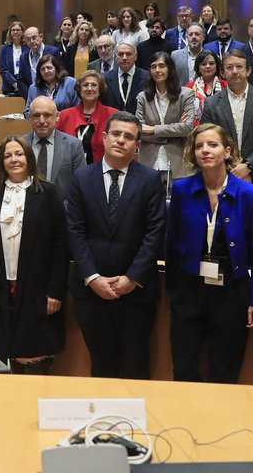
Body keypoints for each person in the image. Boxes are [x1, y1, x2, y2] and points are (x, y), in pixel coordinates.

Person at [65, 111, 164, 378]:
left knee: (136, 365)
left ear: (137, 145)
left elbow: (155, 232)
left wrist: (132, 278)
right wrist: (93, 277)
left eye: (129, 137)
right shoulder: (82, 177)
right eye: (116, 134)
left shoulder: (151, 180)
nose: (121, 140)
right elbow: (75, 231)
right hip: (92, 291)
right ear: (105, 137)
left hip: (136, 292)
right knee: (101, 364)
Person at [165, 123, 253, 382]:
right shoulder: (181, 190)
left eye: (212, 145)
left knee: (225, 371)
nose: (205, 151)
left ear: (227, 151)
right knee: (184, 368)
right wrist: (174, 291)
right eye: (199, 146)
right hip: (190, 289)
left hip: (232, 291)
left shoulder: (250, 194)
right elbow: (171, 241)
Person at [0, 134, 69, 374]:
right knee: (11, 345)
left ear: (29, 157)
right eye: (7, 155)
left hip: (39, 287)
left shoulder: (48, 193)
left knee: (36, 350)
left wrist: (56, 291)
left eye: (19, 154)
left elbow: (60, 244)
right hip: (1, 286)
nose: (13, 159)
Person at [200, 48, 253, 194]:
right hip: (222, 175)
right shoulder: (211, 103)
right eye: (229, 67)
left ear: (248, 71)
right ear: (222, 72)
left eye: (239, 67)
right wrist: (232, 167)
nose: (234, 71)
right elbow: (206, 141)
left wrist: (247, 166)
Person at [135, 51, 198, 182]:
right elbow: (139, 131)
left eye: (161, 66)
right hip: (149, 163)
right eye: (153, 66)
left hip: (179, 163)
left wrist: (153, 130)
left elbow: (187, 128)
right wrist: (175, 130)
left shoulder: (186, 94)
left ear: (170, 69)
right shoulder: (143, 97)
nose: (157, 70)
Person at [25, 95, 86, 196]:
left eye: (47, 115)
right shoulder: (20, 145)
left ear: (57, 116)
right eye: (36, 115)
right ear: (29, 118)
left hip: (63, 210)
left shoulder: (73, 145)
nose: (41, 121)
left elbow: (81, 185)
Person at [56, 70, 116, 165]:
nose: (89, 88)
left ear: (100, 89)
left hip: (100, 170)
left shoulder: (113, 115)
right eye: (85, 85)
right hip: (69, 169)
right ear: (79, 89)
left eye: (93, 85)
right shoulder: (64, 115)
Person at [102, 41, 148, 113]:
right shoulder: (105, 78)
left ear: (136, 56)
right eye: (120, 54)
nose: (124, 58)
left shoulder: (147, 77)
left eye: (128, 54)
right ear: (115, 56)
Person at [184, 49, 225, 122]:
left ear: (217, 67)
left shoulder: (226, 86)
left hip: (221, 129)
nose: (208, 66)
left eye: (211, 63)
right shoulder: (189, 88)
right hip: (196, 130)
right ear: (198, 68)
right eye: (203, 64)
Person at [0, 21, 27, 97]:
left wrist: (21, 85)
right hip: (8, 85)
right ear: (10, 32)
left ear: (22, 32)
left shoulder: (27, 48)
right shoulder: (4, 48)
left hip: (25, 84)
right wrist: (14, 83)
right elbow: (3, 69)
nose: (15, 32)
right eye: (13, 30)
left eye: (18, 30)